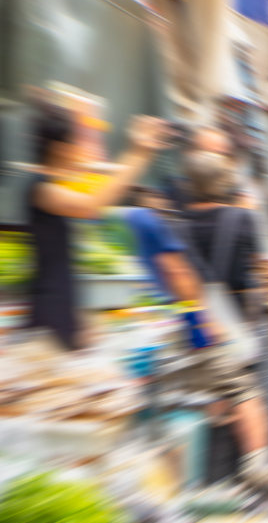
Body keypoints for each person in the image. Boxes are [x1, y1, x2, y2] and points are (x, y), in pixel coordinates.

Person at [27, 102, 167, 350]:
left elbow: (102, 184)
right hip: (50, 309)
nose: (82, 148)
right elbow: (93, 203)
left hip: (61, 303)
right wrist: (139, 152)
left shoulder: (55, 183)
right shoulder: (42, 190)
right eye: (77, 141)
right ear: (60, 148)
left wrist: (79, 317)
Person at [176, 152, 268, 477]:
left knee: (207, 389)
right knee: (243, 390)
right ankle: (254, 464)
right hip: (236, 319)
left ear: (189, 184)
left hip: (193, 318)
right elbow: (259, 267)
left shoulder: (176, 222)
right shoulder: (243, 218)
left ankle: (211, 467)